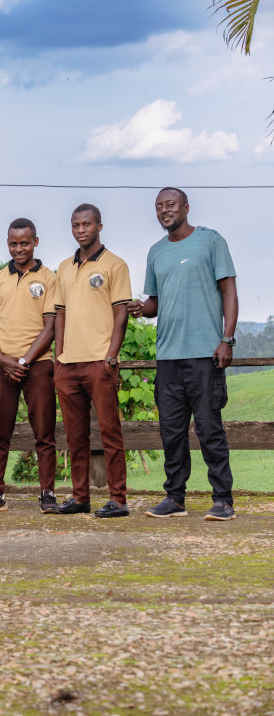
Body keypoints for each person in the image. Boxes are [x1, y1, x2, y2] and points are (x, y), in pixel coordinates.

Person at [128, 188, 239, 521]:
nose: (165, 210)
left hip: (205, 354)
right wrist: (141, 307)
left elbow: (229, 289)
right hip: (168, 357)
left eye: (171, 205)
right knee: (171, 432)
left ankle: (223, 500)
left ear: (186, 208)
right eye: (159, 206)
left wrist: (227, 340)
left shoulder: (211, 241)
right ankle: (174, 499)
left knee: (209, 429)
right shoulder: (156, 252)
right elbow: (156, 303)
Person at [53, 204, 132, 518]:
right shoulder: (64, 267)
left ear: (100, 226)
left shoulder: (115, 264)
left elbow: (121, 312)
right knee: (75, 436)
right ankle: (80, 497)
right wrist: (60, 356)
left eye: (87, 224)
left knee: (110, 432)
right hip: (68, 363)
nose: (81, 229)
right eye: (76, 225)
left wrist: (111, 356)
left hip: (100, 361)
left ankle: (119, 499)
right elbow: (59, 312)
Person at [0, 218, 58, 514]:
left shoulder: (50, 278)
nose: (19, 248)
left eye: (25, 242)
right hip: (1, 364)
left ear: (35, 242)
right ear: (7, 243)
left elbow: (50, 327)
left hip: (37, 365)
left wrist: (23, 361)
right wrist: (2, 360)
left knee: (44, 433)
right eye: (13, 243)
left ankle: (47, 492)